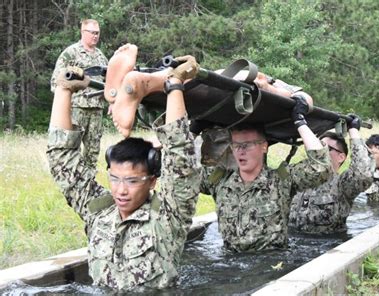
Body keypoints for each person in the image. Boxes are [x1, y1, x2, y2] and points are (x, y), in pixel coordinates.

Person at [47, 44, 201, 290]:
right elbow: (61, 159)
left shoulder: (168, 218)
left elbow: (181, 158)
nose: (120, 191)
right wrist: (64, 90)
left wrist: (174, 86)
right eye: (115, 179)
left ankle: (151, 83)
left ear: (152, 181)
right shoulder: (97, 213)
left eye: (131, 181)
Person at [198, 95, 331, 252]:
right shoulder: (219, 181)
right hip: (229, 265)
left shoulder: (281, 180)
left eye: (247, 145)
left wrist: (300, 122)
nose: (241, 151)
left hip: (270, 264)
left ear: (264, 147)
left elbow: (321, 166)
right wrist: (194, 129)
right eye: (236, 145)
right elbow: (180, 175)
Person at [289, 116, 374, 234]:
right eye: (319, 146)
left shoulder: (342, 185)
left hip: (329, 246)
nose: (320, 151)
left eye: (326, 148)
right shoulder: (301, 180)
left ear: (341, 157)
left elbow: (363, 175)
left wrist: (353, 131)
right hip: (294, 246)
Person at [50, 19, 108, 170]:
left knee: (92, 152)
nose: (95, 36)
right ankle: (73, 181)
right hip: (77, 108)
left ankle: (90, 187)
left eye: (97, 33)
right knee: (71, 147)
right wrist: (64, 104)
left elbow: (108, 83)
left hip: (96, 110)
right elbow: (57, 81)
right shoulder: (70, 53)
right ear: (83, 32)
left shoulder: (101, 57)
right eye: (92, 33)